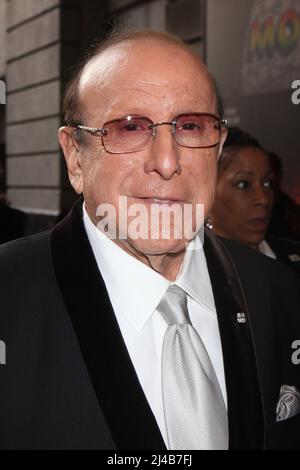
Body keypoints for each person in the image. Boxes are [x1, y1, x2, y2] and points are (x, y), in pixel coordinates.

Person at [0, 29, 300, 451]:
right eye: (129, 127)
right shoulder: (9, 298)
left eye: (191, 125)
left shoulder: (280, 293)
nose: (166, 161)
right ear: (75, 157)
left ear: (216, 150)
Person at [207, 127, 300, 275]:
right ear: (206, 193)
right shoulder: (192, 278)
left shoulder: (293, 258)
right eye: (243, 184)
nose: (263, 199)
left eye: (267, 183)